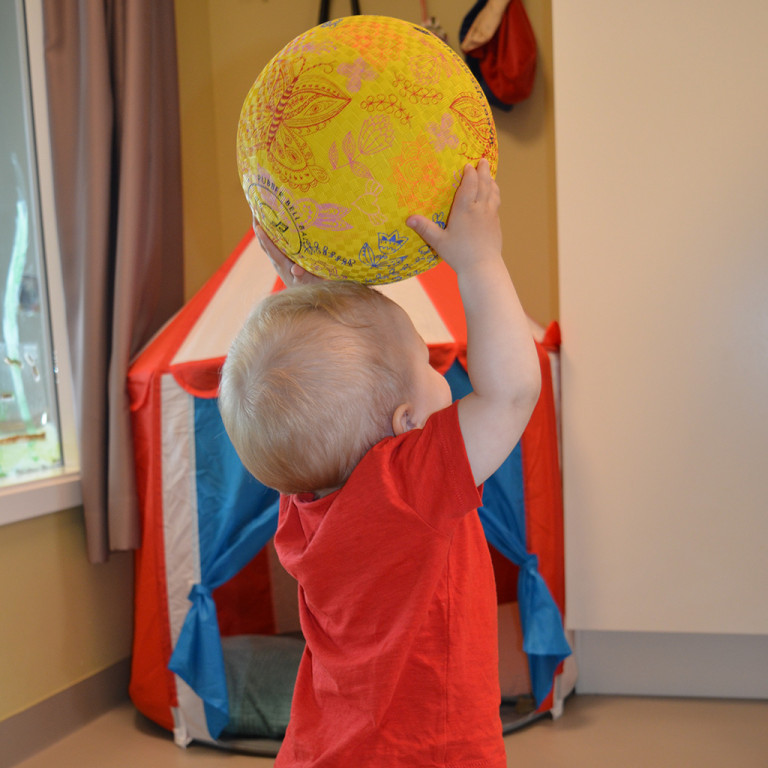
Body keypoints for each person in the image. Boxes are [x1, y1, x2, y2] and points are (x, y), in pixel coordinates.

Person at [219, 159, 541, 767]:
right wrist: (479, 262)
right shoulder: (407, 485)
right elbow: (511, 393)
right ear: (406, 424)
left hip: (327, 744)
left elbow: (312, 393)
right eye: (427, 360)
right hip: (425, 752)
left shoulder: (304, 497)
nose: (442, 371)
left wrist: (305, 285)